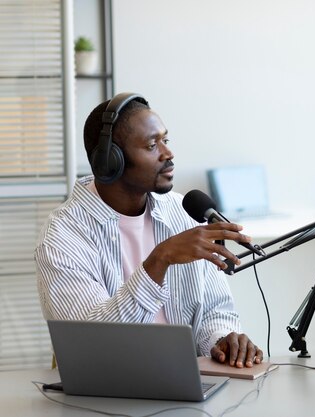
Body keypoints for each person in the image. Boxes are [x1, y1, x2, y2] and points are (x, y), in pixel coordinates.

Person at [35, 92, 262, 368]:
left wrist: (221, 340)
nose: (168, 153)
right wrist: (159, 260)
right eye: (152, 145)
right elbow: (95, 344)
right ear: (110, 161)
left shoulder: (182, 212)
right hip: (107, 390)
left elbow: (215, 309)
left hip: (185, 382)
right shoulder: (63, 236)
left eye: (165, 140)